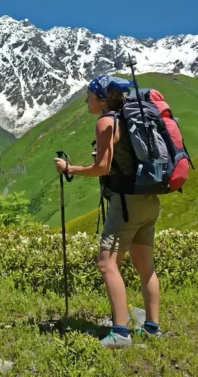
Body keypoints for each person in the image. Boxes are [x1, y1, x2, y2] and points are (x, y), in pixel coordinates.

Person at [53, 75, 162, 348]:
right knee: (144, 264)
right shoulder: (130, 117)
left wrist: (71, 169)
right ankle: (151, 328)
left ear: (103, 99)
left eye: (90, 95)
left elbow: (102, 167)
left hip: (126, 203)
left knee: (107, 263)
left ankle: (120, 333)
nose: (87, 100)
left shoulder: (105, 122)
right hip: (148, 197)